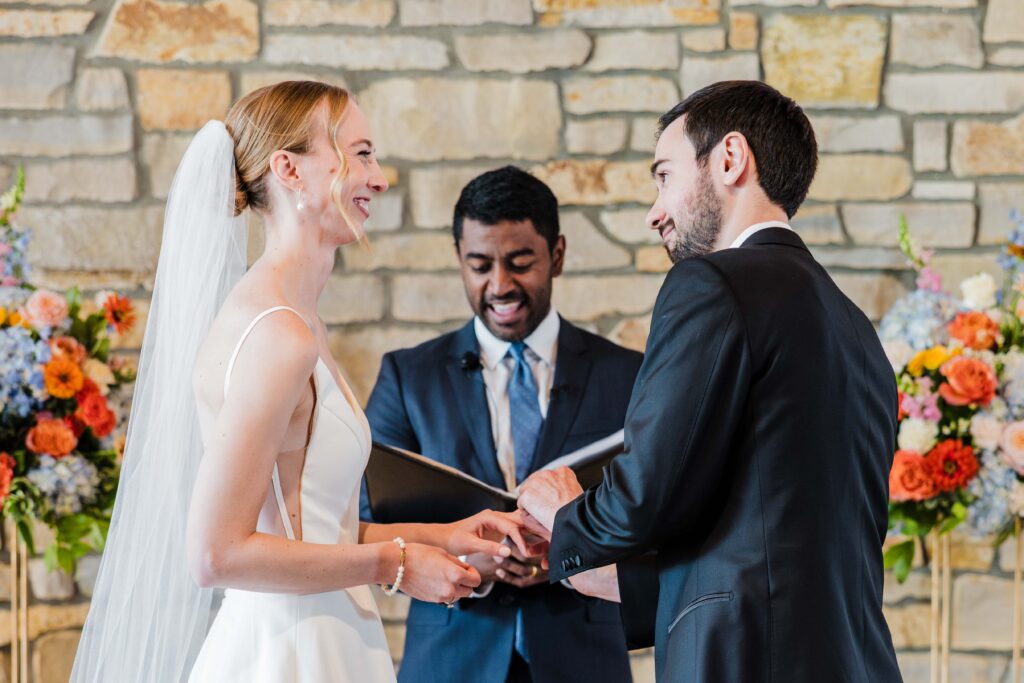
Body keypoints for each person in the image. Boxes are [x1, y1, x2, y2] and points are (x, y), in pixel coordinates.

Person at [71, 81, 533, 683]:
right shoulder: (279, 335)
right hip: (288, 652)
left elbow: (310, 526)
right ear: (288, 168)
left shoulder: (292, 317)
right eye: (360, 153)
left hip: (323, 635)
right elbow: (216, 554)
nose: (379, 176)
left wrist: (444, 536)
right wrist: (394, 567)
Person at [518, 81, 904, 682]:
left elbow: (645, 493)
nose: (655, 211)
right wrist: (602, 575)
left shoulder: (711, 284)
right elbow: (775, 539)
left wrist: (565, 516)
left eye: (664, 175)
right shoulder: (858, 333)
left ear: (729, 159)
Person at [361, 166, 642, 683]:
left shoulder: (627, 375)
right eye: (480, 265)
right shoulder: (407, 377)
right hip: (450, 658)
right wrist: (462, 556)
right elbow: (363, 522)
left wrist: (566, 553)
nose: (500, 285)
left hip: (583, 659)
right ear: (459, 262)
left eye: (519, 263)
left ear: (556, 255)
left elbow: (653, 515)